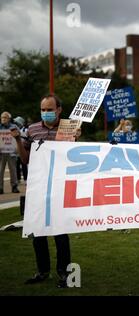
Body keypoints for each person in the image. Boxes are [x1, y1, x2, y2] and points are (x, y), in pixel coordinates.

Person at [11, 94, 80, 288]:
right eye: (43, 109)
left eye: (50, 109)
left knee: (60, 231)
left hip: (59, 187)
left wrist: (75, 139)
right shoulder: (32, 129)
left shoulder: (69, 127)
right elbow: (25, 160)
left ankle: (64, 273)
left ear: (59, 110)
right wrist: (18, 141)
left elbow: (72, 158)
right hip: (37, 187)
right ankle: (42, 271)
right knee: (38, 231)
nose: (46, 113)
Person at [0, 111, 19, 194]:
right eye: (2, 117)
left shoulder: (14, 127)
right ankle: (0, 188)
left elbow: (18, 137)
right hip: (1, 152)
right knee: (0, 170)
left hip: (11, 151)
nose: (3, 119)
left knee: (13, 170)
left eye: (5, 117)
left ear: (9, 119)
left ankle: (14, 187)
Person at [13, 116, 28, 183]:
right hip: (16, 150)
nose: (15, 123)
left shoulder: (26, 130)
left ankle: (25, 178)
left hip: (23, 149)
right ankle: (18, 179)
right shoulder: (14, 130)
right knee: (17, 165)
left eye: (17, 122)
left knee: (24, 165)